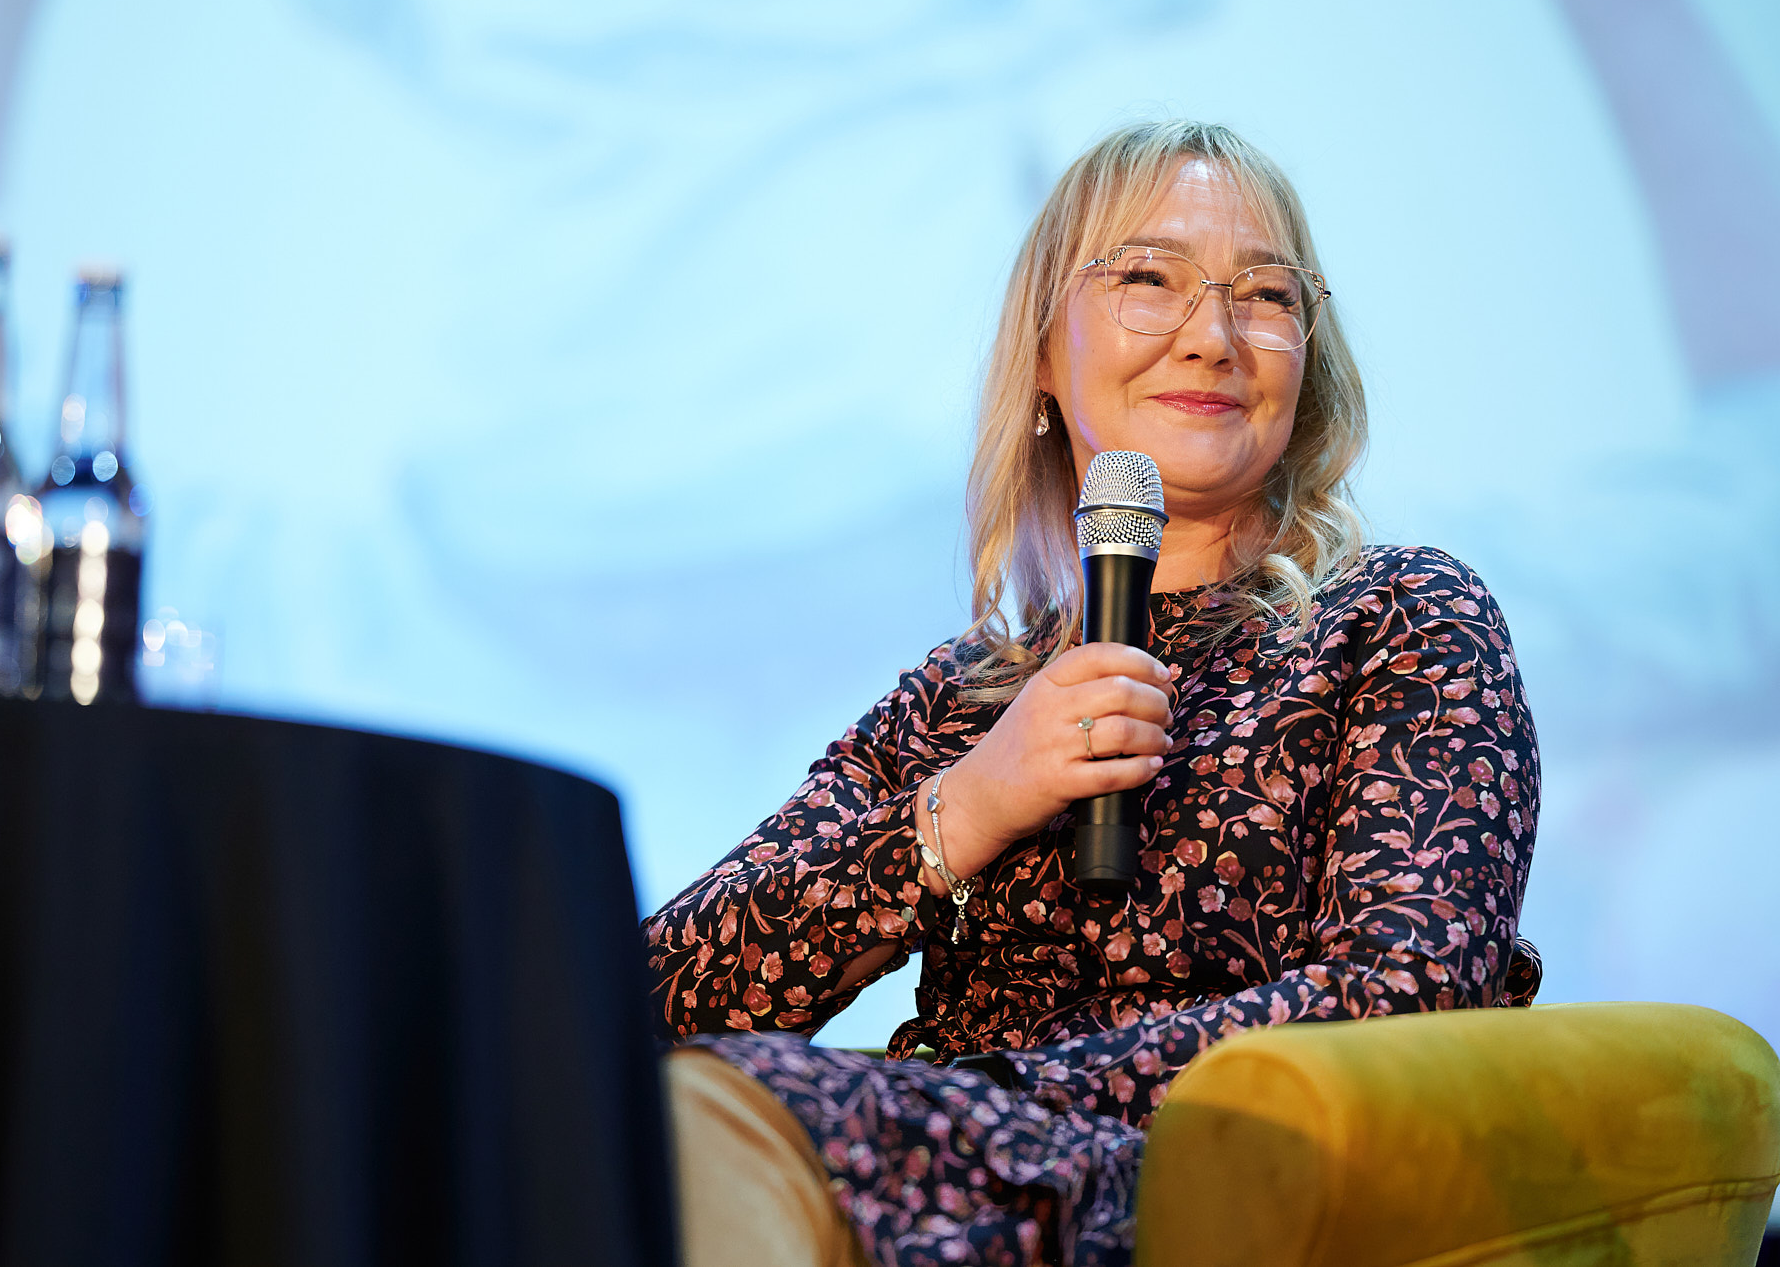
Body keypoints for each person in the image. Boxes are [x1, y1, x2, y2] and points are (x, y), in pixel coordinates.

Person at [644, 120, 1543, 1266]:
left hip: (1223, 1200)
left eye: (1264, 295)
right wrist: (967, 809)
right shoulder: (964, 698)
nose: (1210, 337)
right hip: (933, 1185)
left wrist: (984, 1100)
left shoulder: (1396, 619)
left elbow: (1403, 1000)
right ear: (1041, 352)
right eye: (1147, 279)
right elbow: (648, 1006)